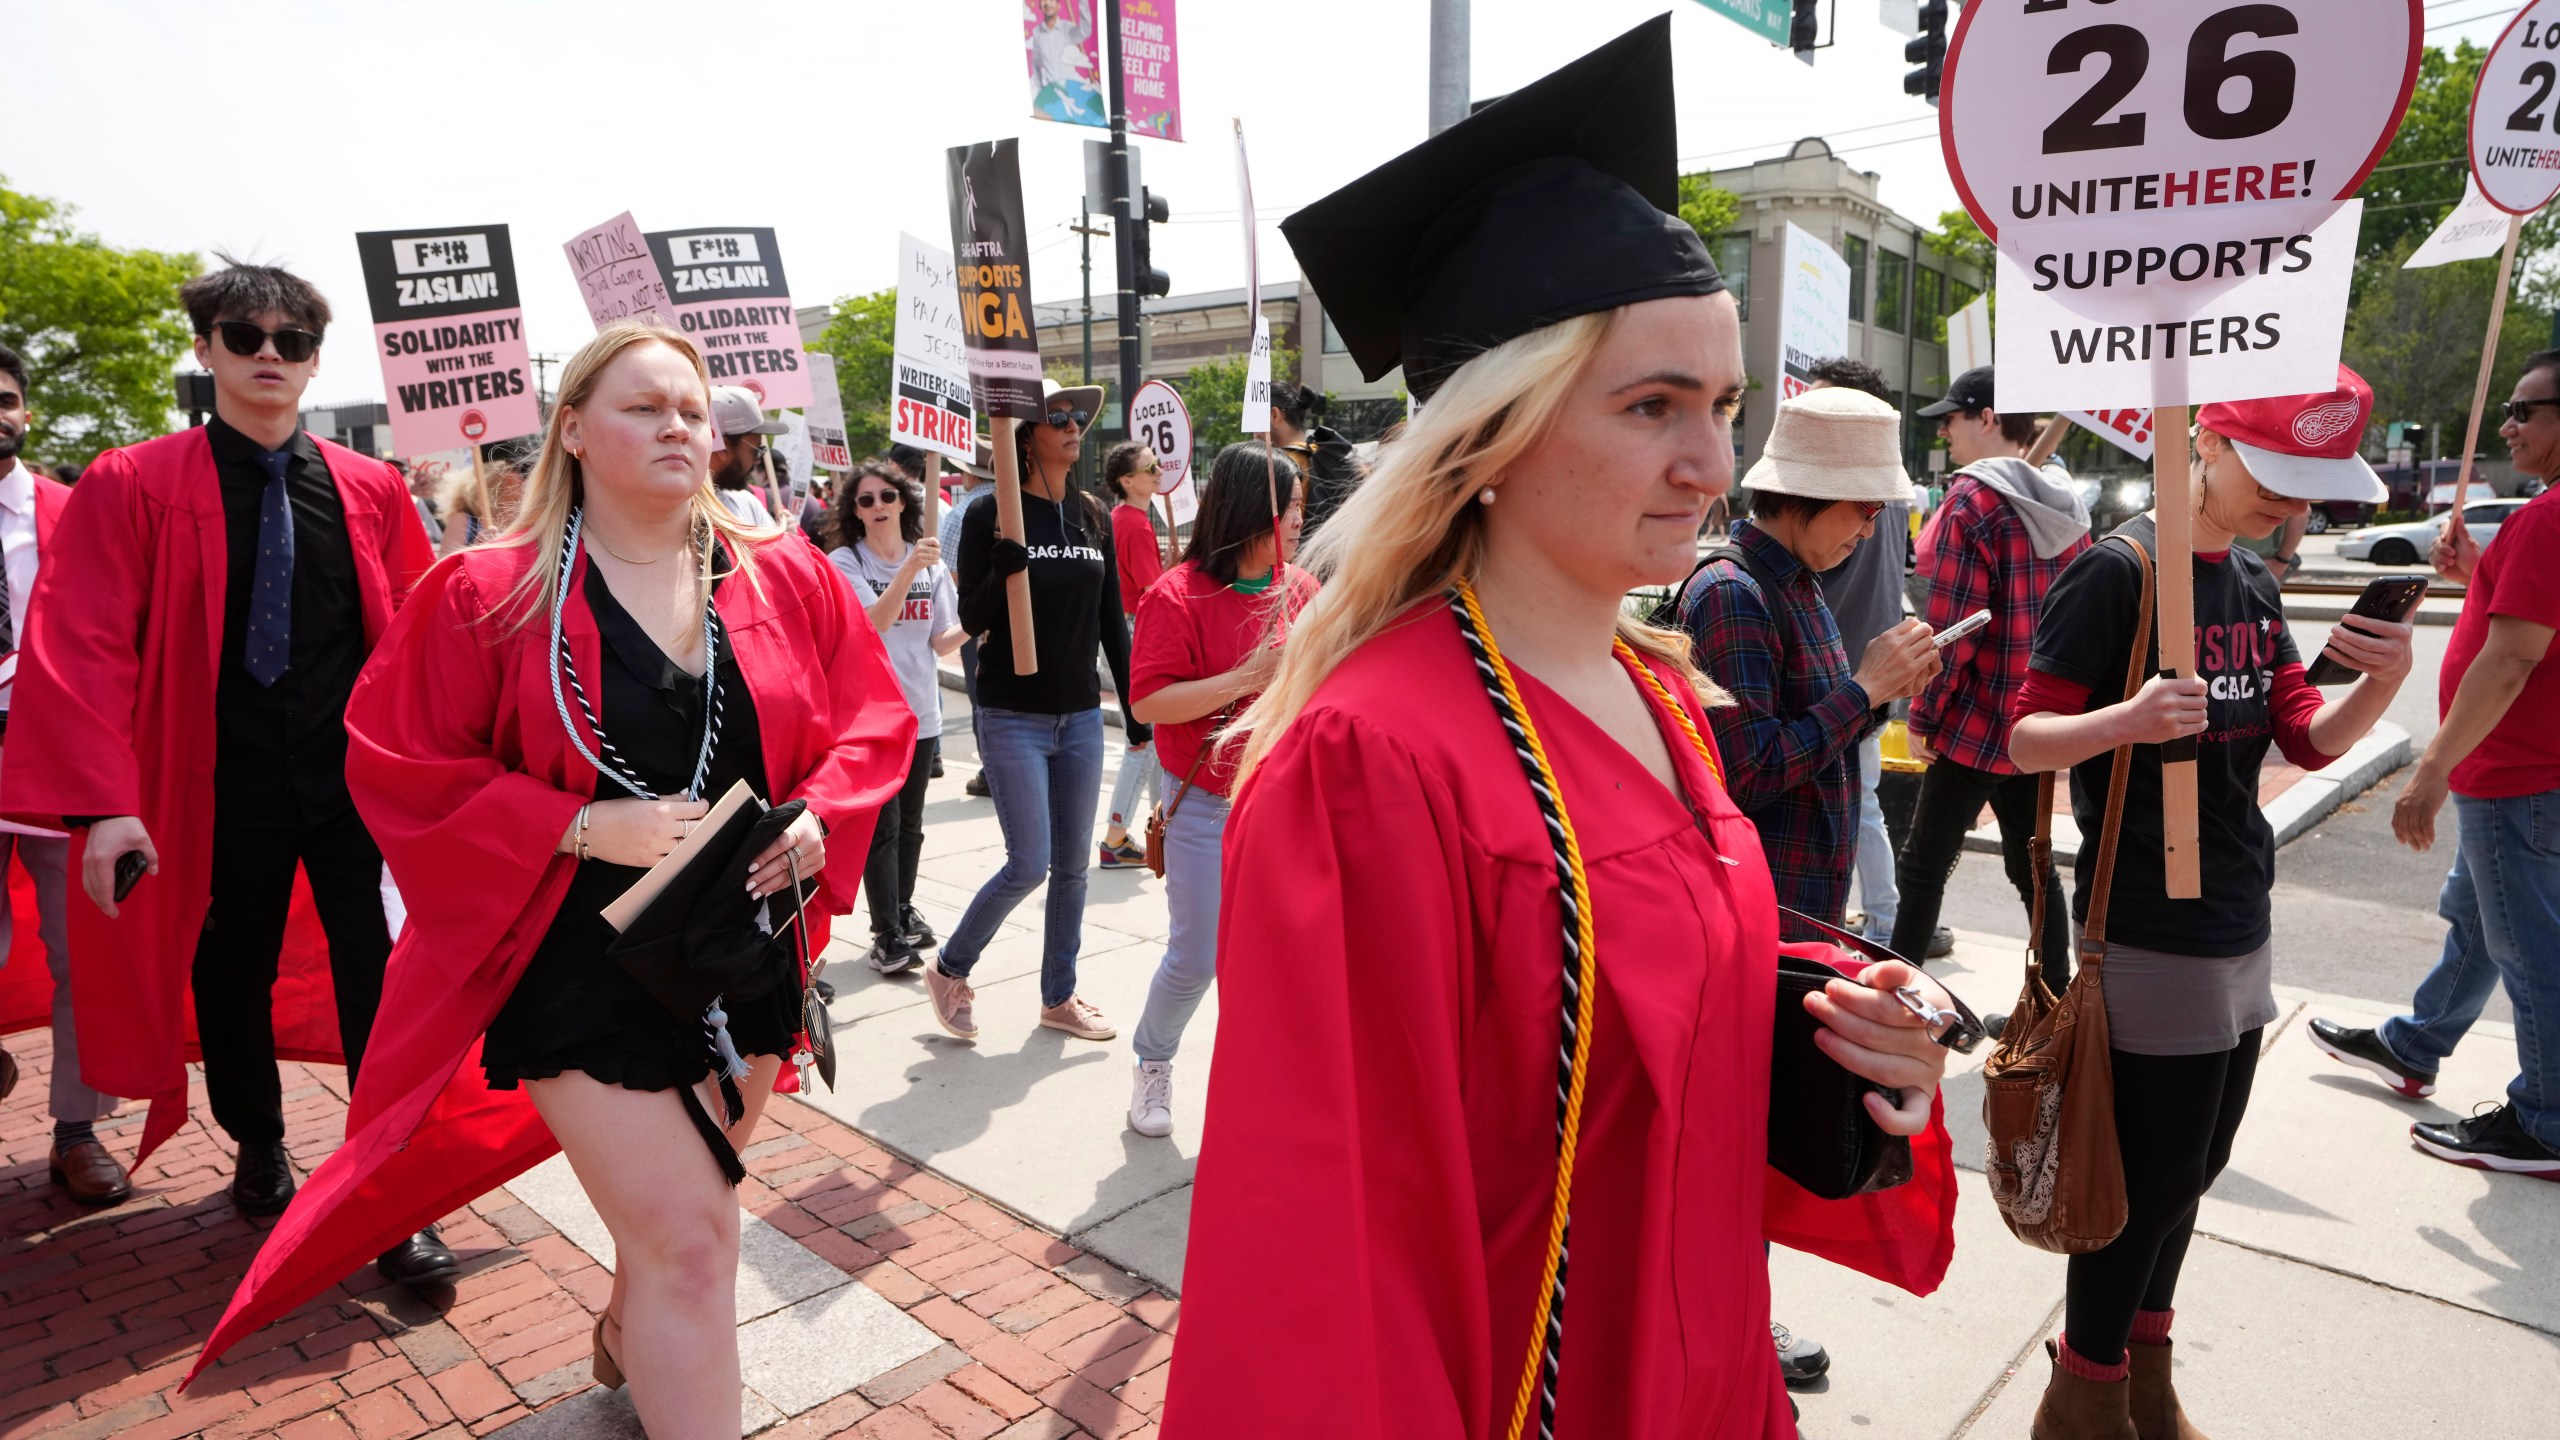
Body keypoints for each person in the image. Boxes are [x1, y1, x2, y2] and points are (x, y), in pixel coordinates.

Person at [1163, 22, 1963, 1434]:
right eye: (1651, 405)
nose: (1712, 462)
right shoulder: (1374, 753)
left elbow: (1640, 993)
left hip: (1706, 1365)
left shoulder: (1659, 687)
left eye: (1719, 404)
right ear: (1496, 432)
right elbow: (1331, 1244)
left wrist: (1838, 1024)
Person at [189, 319, 912, 1429]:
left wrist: (820, 813)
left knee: (695, 1202)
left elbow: (867, 723)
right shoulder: (485, 593)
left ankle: (630, 1335)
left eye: (690, 405)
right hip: (573, 959)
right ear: (572, 428)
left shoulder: (783, 576)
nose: (678, 423)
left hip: (745, 941)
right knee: (692, 1237)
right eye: (643, 406)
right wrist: (576, 826)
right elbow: (401, 762)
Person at [0, 260, 455, 1284]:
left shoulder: (371, 487)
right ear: (204, 349)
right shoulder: (134, 483)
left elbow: (424, 639)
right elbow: (85, 643)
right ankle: (258, 1143)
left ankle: (387, 1181)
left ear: (312, 361)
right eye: (243, 337)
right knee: (231, 973)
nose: (267, 356)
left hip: (353, 787)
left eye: (290, 342)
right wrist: (109, 806)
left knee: (381, 975)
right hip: (211, 785)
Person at [2006, 367, 2410, 1436]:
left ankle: (2142, 1376)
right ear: (2207, 444)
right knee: (2141, 1181)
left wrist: (2379, 679)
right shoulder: (2116, 572)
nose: (2293, 504)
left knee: (2195, 1168)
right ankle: (2082, 1399)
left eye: (2312, 482)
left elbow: (2303, 737)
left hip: (2238, 907)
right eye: (2274, 474)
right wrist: (2125, 721)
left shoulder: (2251, 582)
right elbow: (2023, 738)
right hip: (2146, 918)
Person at [2311, 351, 2560, 1180]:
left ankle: (2546, 1121)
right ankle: (2414, 1045)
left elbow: (2512, 660)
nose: (2508, 426)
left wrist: (2433, 771)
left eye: (2527, 411)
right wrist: (2478, 571)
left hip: (2517, 775)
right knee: (2482, 921)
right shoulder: (2539, 520)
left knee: (2527, 951)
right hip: (2527, 774)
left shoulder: (2548, 518)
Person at [1681, 387, 1942, 942]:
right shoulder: (1734, 592)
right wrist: (1866, 690)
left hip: (1807, 900)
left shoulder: (1800, 580)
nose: (1870, 530)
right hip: (1759, 910)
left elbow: (1819, 729)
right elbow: (1749, 774)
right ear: (1810, 494)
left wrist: (1885, 689)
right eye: (1867, 509)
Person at [929, 378, 1145, 1044]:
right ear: (1025, 438)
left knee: (1074, 866)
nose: (1074, 424)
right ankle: (949, 967)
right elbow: (970, 619)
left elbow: (1112, 619)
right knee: (1030, 861)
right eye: (1058, 417)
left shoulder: (1091, 515)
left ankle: (1060, 996)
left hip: (1079, 714)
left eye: (1078, 416)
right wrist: (1001, 571)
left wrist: (1136, 707)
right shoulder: (991, 513)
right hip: (1012, 712)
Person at [1123, 443, 1314, 1139]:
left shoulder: (1302, 590)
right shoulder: (1174, 597)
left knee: (1270, 962)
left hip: (1284, 802)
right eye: (1290, 507)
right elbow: (1148, 705)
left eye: (1299, 507)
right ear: (1252, 512)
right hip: (1203, 804)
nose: (1300, 520)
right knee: (1198, 954)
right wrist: (1247, 678)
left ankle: (1256, 1088)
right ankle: (1153, 1060)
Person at [1893, 365, 2091, 977]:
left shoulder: (1970, 502)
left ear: (1987, 418)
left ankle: (1894, 1001)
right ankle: (2054, 1004)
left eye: (1952, 418)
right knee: (2033, 866)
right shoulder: (2067, 504)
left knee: (1924, 864)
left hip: (1975, 723)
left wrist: (1923, 716)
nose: (1945, 432)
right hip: (2040, 720)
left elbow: (1952, 633)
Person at [0, 342, 129, 1203]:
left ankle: (76, 1132)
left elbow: (113, 640)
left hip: (55, 775)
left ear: (26, 412)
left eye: (5, 397)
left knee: (84, 956)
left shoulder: (72, 510)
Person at [1802, 356, 1936, 954]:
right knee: (1864, 804)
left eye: (1823, 405)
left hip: (1843, 668)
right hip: (1869, 664)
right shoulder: (1895, 486)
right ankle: (1885, 923)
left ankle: (1884, 926)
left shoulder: (1847, 487)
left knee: (1853, 806)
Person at [828, 460, 962, 975]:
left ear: (903, 501)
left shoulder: (929, 564)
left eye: (887, 497)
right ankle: (886, 933)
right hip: (871, 717)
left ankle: (902, 911)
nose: (879, 507)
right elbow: (871, 626)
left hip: (921, 713)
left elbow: (942, 640)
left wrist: (986, 611)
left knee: (910, 825)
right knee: (880, 827)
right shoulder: (845, 562)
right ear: (855, 512)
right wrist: (909, 569)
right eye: (866, 501)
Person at [1100, 439, 1166, 866]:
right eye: (1151, 466)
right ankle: (1116, 837)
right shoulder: (1134, 523)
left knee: (1153, 739)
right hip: (1136, 630)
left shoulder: (1122, 518)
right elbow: (1151, 590)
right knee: (1142, 740)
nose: (1159, 471)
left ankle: (1160, 828)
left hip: (1127, 629)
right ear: (1127, 481)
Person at [941, 440, 1000, 799]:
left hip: (978, 624)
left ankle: (992, 770)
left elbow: (954, 576)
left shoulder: (963, 511)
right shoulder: (1023, 502)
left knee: (984, 701)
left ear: (967, 474)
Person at [1270, 382, 1364, 540]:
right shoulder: (1325, 450)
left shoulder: (1286, 463)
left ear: (1275, 415)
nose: (1253, 431)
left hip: (1298, 560)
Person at [709, 385, 783, 526]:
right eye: (756, 451)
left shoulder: (747, 504)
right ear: (723, 448)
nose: (756, 461)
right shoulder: (673, 514)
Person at [436, 454, 521, 557]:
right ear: (496, 484)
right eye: (520, 474)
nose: (524, 481)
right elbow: (446, 568)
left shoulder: (526, 516)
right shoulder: (464, 520)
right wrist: (477, 551)